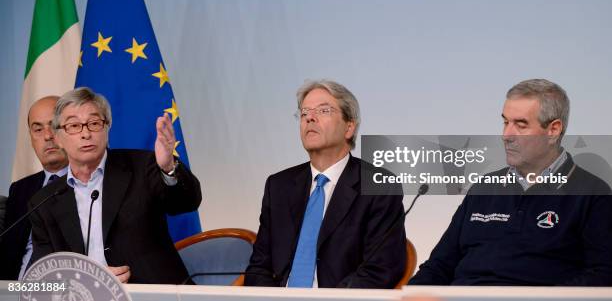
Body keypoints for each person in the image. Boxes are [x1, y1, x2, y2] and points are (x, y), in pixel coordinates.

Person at [410, 79, 612, 286]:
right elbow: (439, 266)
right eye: (506, 122)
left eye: (521, 125)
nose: (506, 135)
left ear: (553, 130)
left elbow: (602, 275)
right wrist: (411, 294)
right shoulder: (484, 188)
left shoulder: (594, 194)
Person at [28, 87, 202, 284]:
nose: (85, 133)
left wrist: (168, 168)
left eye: (94, 123)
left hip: (152, 293)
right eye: (74, 126)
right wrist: (89, 281)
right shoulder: (44, 201)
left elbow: (186, 203)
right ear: (58, 137)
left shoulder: (143, 167)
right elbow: (44, 274)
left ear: (107, 127)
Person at [245, 80, 406, 288]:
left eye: (323, 110)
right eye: (304, 113)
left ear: (349, 127)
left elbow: (379, 270)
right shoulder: (278, 186)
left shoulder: (379, 185)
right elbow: (259, 268)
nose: (310, 118)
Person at [0, 96, 69, 280]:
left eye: (54, 125)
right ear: (31, 138)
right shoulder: (20, 189)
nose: (47, 136)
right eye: (38, 129)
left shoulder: (91, 184)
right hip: (14, 290)